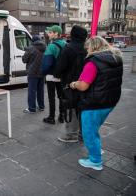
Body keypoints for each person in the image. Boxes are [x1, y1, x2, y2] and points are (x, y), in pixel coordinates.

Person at [69, 36, 123, 170]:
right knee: (94, 127)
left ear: (92, 47)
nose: (86, 50)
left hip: (95, 102)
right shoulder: (116, 58)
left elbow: (83, 86)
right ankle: (97, 150)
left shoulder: (93, 63)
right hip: (110, 101)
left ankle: (95, 161)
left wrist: (74, 84)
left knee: (89, 132)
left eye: (87, 48)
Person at [54, 25, 88, 142]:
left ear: (73, 35)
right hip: (86, 83)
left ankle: (71, 135)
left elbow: (59, 68)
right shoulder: (88, 48)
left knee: (72, 108)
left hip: (70, 84)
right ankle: (83, 134)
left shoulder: (68, 49)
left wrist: (58, 75)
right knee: (84, 109)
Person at [41, 25, 66, 124]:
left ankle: (51, 117)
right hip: (62, 75)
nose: (48, 34)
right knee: (61, 96)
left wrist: (42, 72)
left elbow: (47, 63)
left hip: (51, 75)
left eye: (50, 32)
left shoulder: (51, 46)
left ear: (56, 33)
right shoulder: (65, 44)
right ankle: (62, 116)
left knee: (51, 97)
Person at [22, 35, 47, 113]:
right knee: (41, 90)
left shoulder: (31, 48)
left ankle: (32, 108)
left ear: (32, 41)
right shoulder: (45, 47)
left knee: (32, 91)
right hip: (42, 72)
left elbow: (24, 60)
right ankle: (41, 106)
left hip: (32, 72)